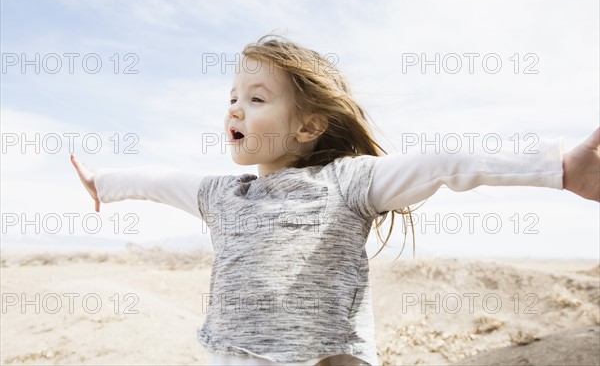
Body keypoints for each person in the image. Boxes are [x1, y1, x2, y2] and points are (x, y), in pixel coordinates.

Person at [71, 35, 599, 366]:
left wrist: (558, 168)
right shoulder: (222, 194)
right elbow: (161, 181)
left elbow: (447, 163)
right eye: (232, 97)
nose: (235, 108)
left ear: (308, 126)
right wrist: (105, 184)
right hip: (229, 354)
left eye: (256, 99)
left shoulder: (349, 183)